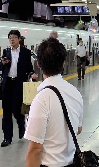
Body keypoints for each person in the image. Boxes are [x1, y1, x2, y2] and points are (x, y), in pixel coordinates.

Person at [25, 38, 84, 167]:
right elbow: (78, 129)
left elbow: (35, 149)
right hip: (71, 162)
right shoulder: (75, 93)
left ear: (39, 64)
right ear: (63, 63)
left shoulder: (42, 99)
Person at [0, 29, 37, 147]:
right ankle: (7, 138)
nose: (12, 39)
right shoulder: (5, 52)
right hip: (8, 84)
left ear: (19, 39)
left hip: (19, 85)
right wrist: (2, 64)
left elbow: (29, 68)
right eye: (10, 37)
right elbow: (0, 67)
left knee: (17, 110)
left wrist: (32, 74)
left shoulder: (25, 52)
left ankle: (21, 125)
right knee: (6, 112)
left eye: (14, 37)